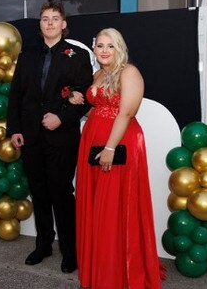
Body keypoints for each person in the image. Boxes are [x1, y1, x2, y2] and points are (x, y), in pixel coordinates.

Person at [70, 28, 165, 288]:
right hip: (93, 140)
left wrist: (110, 148)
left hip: (120, 142)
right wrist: (80, 101)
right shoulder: (98, 74)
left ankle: (119, 269)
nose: (104, 50)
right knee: (99, 203)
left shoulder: (128, 72)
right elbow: (97, 111)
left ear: (119, 48)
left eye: (110, 46)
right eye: (100, 45)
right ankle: (101, 265)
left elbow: (126, 113)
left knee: (115, 204)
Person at [7, 2, 93, 273]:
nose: (50, 23)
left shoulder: (77, 55)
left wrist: (62, 117)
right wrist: (15, 129)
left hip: (62, 137)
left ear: (64, 23)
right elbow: (17, 95)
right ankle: (43, 244)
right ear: (40, 24)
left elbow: (85, 96)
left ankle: (70, 251)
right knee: (40, 193)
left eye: (55, 18)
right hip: (31, 136)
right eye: (45, 19)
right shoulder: (27, 55)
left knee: (62, 193)